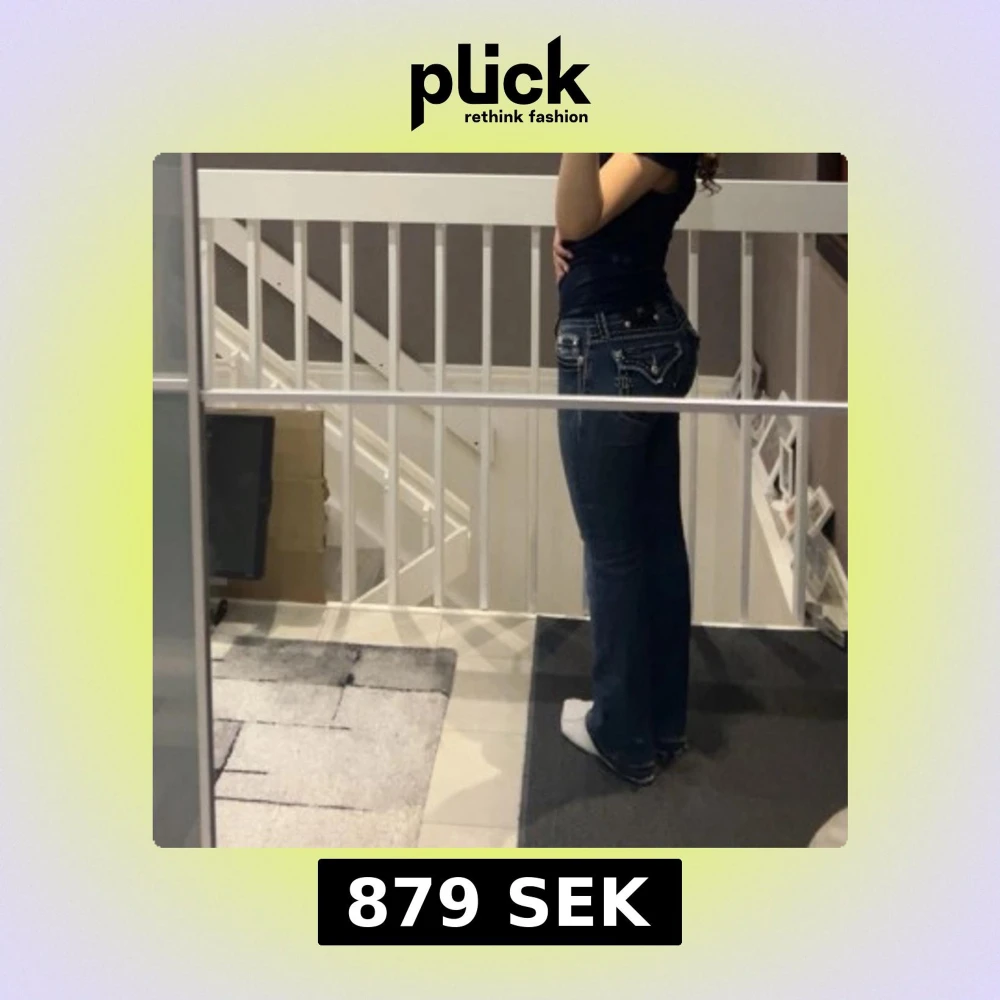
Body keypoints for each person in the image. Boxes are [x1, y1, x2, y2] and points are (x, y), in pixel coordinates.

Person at [553, 153, 719, 786]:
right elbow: (579, 217)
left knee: (614, 550)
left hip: (612, 347)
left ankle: (622, 733)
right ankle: (659, 723)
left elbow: (579, 216)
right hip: (642, 339)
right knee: (654, 540)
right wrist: (569, 232)